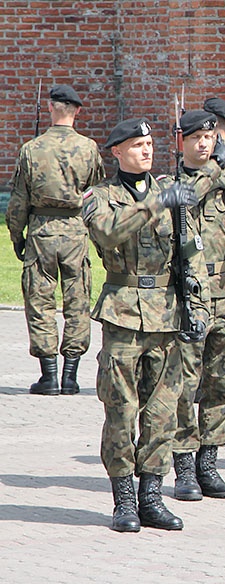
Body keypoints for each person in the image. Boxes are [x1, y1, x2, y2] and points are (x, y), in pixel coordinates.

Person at [83, 117, 208, 532]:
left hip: (167, 314)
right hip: (122, 312)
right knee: (121, 410)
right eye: (137, 145)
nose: (146, 150)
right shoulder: (100, 196)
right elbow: (107, 234)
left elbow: (191, 253)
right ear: (116, 152)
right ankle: (124, 501)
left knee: (162, 413)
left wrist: (199, 306)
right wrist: (157, 203)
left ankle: (151, 496)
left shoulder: (170, 190)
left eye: (150, 143)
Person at [169, 110, 225, 501]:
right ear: (182, 142)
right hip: (190, 300)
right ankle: (184, 469)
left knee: (221, 385)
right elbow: (186, 206)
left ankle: (209, 464)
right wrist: (217, 171)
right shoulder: (172, 186)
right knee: (184, 388)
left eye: (210, 138)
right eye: (196, 139)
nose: (205, 144)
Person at [6, 83, 105, 396]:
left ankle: (48, 374)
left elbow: (18, 201)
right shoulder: (89, 148)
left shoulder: (31, 149)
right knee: (78, 300)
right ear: (76, 111)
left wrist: (16, 235)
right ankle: (71, 375)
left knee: (40, 301)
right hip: (75, 229)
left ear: (50, 108)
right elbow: (97, 195)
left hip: (41, 230)